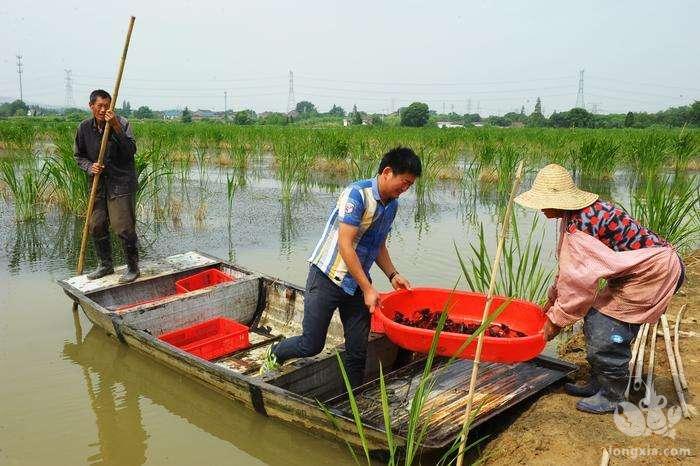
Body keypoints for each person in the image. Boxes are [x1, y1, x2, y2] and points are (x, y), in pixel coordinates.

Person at [514, 164, 684, 414]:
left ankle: (613, 393)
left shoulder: (581, 226)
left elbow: (578, 288)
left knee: (608, 329)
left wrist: (553, 324)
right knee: (594, 318)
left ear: (559, 201)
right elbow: (569, 269)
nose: (541, 208)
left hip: (651, 274)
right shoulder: (574, 215)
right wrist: (552, 298)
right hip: (633, 271)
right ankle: (599, 381)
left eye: (544, 202)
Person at [260, 147, 422, 387]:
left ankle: (353, 403)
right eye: (404, 182)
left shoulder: (392, 205)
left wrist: (393, 274)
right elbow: (345, 245)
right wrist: (369, 289)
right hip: (327, 276)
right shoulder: (357, 195)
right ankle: (276, 352)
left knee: (357, 351)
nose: (405, 189)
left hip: (356, 281)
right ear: (387, 172)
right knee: (311, 344)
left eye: (410, 185)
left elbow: (378, 246)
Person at [74, 89, 140, 283]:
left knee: (123, 228)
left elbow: (130, 151)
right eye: (100, 106)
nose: (103, 110)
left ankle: (133, 268)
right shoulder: (84, 127)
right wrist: (90, 167)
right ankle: (105, 265)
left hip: (121, 184)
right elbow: (79, 156)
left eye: (107, 106)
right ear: (91, 106)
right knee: (96, 224)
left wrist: (115, 127)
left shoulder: (123, 123)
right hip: (98, 183)